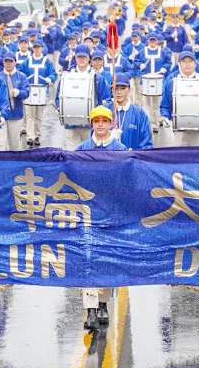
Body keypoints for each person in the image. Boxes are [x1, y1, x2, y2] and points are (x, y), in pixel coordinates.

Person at [75, 105, 127, 329]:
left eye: (104, 121)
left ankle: (104, 303)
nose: (100, 125)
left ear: (111, 123)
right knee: (88, 259)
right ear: (92, 124)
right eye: (96, 121)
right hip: (88, 212)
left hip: (111, 211)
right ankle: (90, 309)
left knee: (107, 258)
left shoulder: (121, 149)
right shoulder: (81, 149)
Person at [55, 44, 112, 149]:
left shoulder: (97, 78)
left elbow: (106, 100)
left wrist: (98, 116)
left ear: (89, 58)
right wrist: (60, 108)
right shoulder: (66, 76)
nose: (81, 59)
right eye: (79, 56)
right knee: (72, 155)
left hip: (91, 126)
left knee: (88, 156)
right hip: (71, 125)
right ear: (75, 58)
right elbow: (58, 97)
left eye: (84, 57)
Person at [159, 50, 199, 139]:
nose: (187, 64)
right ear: (179, 64)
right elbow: (165, 105)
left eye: (190, 61)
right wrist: (165, 117)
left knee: (198, 152)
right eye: (184, 62)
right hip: (178, 131)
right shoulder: (171, 83)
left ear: (195, 63)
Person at [101, 72, 153, 150]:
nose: (119, 92)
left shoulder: (139, 113)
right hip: (108, 160)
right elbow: (94, 141)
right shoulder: (103, 111)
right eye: (116, 88)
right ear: (111, 90)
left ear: (129, 89)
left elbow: (146, 144)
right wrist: (108, 139)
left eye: (123, 88)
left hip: (131, 160)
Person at [21, 38, 58, 147]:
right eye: (35, 47)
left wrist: (50, 78)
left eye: (38, 47)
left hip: (42, 91)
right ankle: (30, 136)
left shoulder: (46, 61)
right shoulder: (27, 61)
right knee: (29, 115)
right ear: (33, 48)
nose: (37, 49)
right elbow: (21, 72)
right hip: (29, 91)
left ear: (42, 48)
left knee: (39, 115)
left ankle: (37, 135)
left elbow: (53, 73)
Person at [0, 52, 30, 151]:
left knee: (14, 145)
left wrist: (19, 93)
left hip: (16, 115)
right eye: (6, 61)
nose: (8, 63)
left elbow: (26, 93)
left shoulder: (21, 76)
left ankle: (13, 165)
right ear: (3, 62)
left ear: (15, 62)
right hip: (0, 115)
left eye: (11, 61)